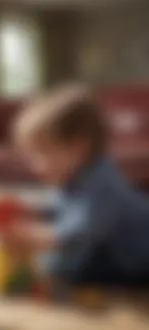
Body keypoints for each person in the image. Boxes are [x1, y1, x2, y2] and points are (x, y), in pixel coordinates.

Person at [11, 85, 149, 285]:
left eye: (42, 154)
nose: (35, 167)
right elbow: (55, 211)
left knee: (67, 269)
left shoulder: (102, 182)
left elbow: (81, 231)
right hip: (109, 253)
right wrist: (23, 212)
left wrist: (34, 237)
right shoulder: (69, 177)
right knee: (58, 264)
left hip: (137, 260)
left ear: (78, 146)